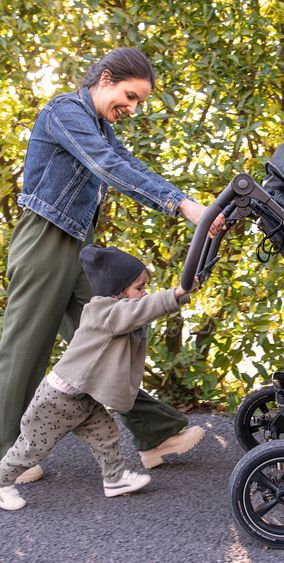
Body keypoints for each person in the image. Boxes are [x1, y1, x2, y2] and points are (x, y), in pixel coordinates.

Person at [0, 47, 224, 483]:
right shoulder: (65, 111)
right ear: (104, 79)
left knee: (112, 335)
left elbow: (127, 163)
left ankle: (155, 433)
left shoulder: (99, 123)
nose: (133, 108)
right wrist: (182, 206)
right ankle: (5, 453)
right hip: (44, 239)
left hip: (76, 243)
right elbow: (106, 166)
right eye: (130, 95)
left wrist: (190, 203)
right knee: (24, 348)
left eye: (139, 101)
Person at [0, 245, 202, 511]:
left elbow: (142, 311)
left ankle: (115, 479)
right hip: (57, 401)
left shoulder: (116, 311)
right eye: (139, 288)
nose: (144, 294)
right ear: (117, 292)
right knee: (32, 448)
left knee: (106, 434)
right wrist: (176, 293)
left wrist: (185, 293)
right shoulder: (106, 313)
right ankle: (2, 482)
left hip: (81, 398)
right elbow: (141, 311)